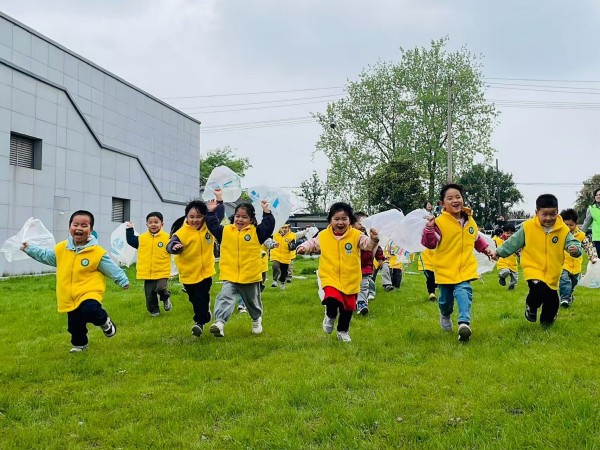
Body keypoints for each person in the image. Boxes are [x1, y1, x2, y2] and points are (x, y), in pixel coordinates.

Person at [21, 210, 129, 353]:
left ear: (91, 230)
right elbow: (45, 255)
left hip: (89, 292)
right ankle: (80, 345)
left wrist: (122, 280)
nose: (79, 228)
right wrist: (29, 248)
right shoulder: (61, 249)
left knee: (90, 309)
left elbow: (111, 268)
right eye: (75, 224)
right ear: (70, 227)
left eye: (84, 225)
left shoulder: (97, 252)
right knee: (74, 325)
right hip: (69, 295)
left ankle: (105, 322)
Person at [422, 183, 494, 342]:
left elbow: (476, 238)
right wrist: (429, 228)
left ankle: (464, 323)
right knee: (445, 301)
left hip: (465, 269)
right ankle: (445, 315)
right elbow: (430, 243)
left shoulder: (470, 221)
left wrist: (486, 249)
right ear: (443, 204)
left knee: (464, 292)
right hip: (445, 269)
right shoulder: (439, 223)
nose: (455, 200)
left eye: (458, 197)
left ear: (463, 199)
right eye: (450, 198)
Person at [297, 202, 379, 342]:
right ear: (330, 220)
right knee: (332, 298)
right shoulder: (323, 235)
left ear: (350, 220)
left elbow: (368, 245)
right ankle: (330, 316)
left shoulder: (356, 235)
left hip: (351, 279)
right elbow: (312, 243)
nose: (340, 222)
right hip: (330, 276)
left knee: (348, 309)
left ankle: (342, 331)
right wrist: (303, 247)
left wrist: (374, 239)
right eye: (336, 219)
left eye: (344, 219)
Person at [495, 194, 581, 326]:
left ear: (557, 212)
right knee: (538, 289)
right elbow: (513, 242)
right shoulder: (528, 227)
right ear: (536, 212)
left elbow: (572, 242)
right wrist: (499, 252)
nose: (549, 218)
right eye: (544, 214)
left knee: (552, 301)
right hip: (533, 267)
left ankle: (547, 321)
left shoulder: (563, 229)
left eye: (553, 214)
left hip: (553, 271)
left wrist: (574, 249)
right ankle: (531, 306)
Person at [206, 201, 275, 338]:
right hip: (230, 274)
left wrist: (266, 212)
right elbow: (212, 225)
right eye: (238, 216)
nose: (240, 220)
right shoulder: (225, 231)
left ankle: (256, 319)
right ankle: (219, 323)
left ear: (251, 219)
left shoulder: (256, 232)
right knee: (225, 297)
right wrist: (211, 212)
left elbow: (268, 227)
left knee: (252, 303)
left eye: (244, 217)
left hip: (250, 276)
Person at [167, 191, 224, 338]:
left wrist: (219, 200)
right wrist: (175, 247)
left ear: (204, 216)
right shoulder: (181, 233)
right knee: (194, 299)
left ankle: (199, 323)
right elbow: (170, 245)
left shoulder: (208, 227)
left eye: (199, 216)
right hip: (188, 274)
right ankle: (204, 315)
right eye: (191, 217)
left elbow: (219, 215)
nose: (195, 220)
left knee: (201, 297)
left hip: (206, 271)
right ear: (186, 217)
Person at [125, 212, 172, 317]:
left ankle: (165, 298)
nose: (153, 224)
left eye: (156, 222)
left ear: (162, 224)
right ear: (147, 224)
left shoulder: (168, 238)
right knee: (150, 294)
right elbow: (131, 240)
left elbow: (175, 248)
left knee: (161, 288)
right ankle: (154, 311)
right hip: (147, 272)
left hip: (162, 271)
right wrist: (130, 229)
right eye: (150, 222)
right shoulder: (141, 238)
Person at [558, 208, 598, 308]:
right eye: (565, 225)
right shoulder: (559, 235)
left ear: (576, 224)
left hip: (576, 265)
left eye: (571, 225)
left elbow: (588, 246)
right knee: (564, 280)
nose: (568, 227)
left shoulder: (580, 235)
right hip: (563, 263)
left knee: (573, 283)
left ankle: (568, 296)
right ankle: (564, 299)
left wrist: (593, 257)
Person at [354, 212, 384, 315]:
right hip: (352, 268)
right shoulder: (351, 237)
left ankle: (362, 304)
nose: (363, 226)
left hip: (365, 267)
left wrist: (380, 258)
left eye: (366, 223)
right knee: (352, 287)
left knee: (364, 286)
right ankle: (352, 302)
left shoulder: (370, 237)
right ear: (352, 224)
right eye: (360, 223)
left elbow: (377, 248)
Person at [270, 224, 296, 289]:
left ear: (288, 228)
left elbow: (293, 246)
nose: (284, 229)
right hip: (276, 255)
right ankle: (274, 281)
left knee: (284, 271)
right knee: (275, 266)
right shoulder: (275, 234)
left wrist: (291, 246)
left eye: (285, 228)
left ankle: (282, 282)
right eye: (282, 228)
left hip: (286, 256)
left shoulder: (292, 235)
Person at [496, 223, 519, 290]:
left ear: (514, 233)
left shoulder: (516, 241)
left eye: (511, 233)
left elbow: (518, 251)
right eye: (507, 233)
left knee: (515, 279)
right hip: (503, 262)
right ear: (503, 232)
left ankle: (511, 287)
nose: (509, 235)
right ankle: (501, 277)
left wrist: (519, 254)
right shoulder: (500, 240)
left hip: (513, 263)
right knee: (506, 271)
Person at [581, 187, 600, 256]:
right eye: (596, 195)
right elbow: (586, 224)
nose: (598, 196)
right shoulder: (591, 209)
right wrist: (579, 236)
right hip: (598, 239)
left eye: (599, 195)